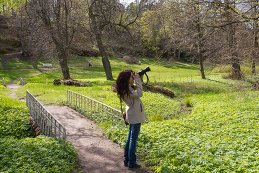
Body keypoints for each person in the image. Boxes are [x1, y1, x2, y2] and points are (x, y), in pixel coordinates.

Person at [116, 69, 146, 169]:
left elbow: (137, 91)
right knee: (133, 139)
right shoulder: (127, 90)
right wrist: (137, 79)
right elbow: (140, 93)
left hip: (133, 115)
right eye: (131, 77)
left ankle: (126, 159)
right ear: (126, 79)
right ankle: (131, 163)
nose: (132, 78)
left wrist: (137, 78)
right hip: (135, 116)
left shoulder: (126, 88)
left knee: (130, 139)